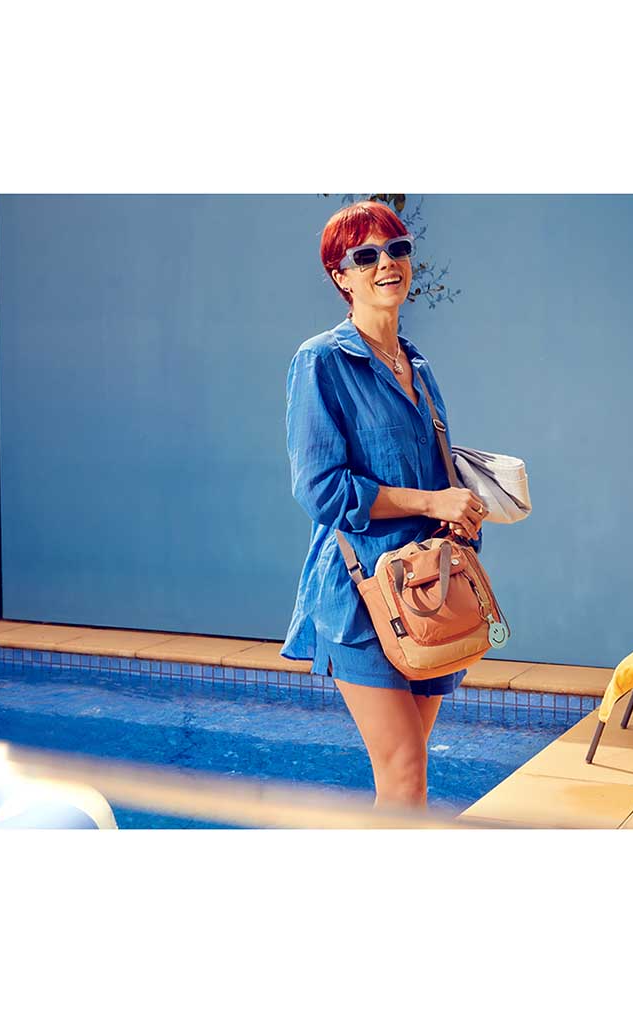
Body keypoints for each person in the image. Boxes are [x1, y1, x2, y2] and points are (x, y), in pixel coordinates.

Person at [279, 200, 488, 809]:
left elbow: (431, 470)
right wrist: (431, 498)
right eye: (365, 256)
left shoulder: (416, 364)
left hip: (429, 591)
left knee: (409, 778)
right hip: (362, 593)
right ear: (341, 277)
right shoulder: (320, 361)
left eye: (397, 249)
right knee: (402, 771)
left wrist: (468, 499)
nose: (386, 264)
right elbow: (320, 489)